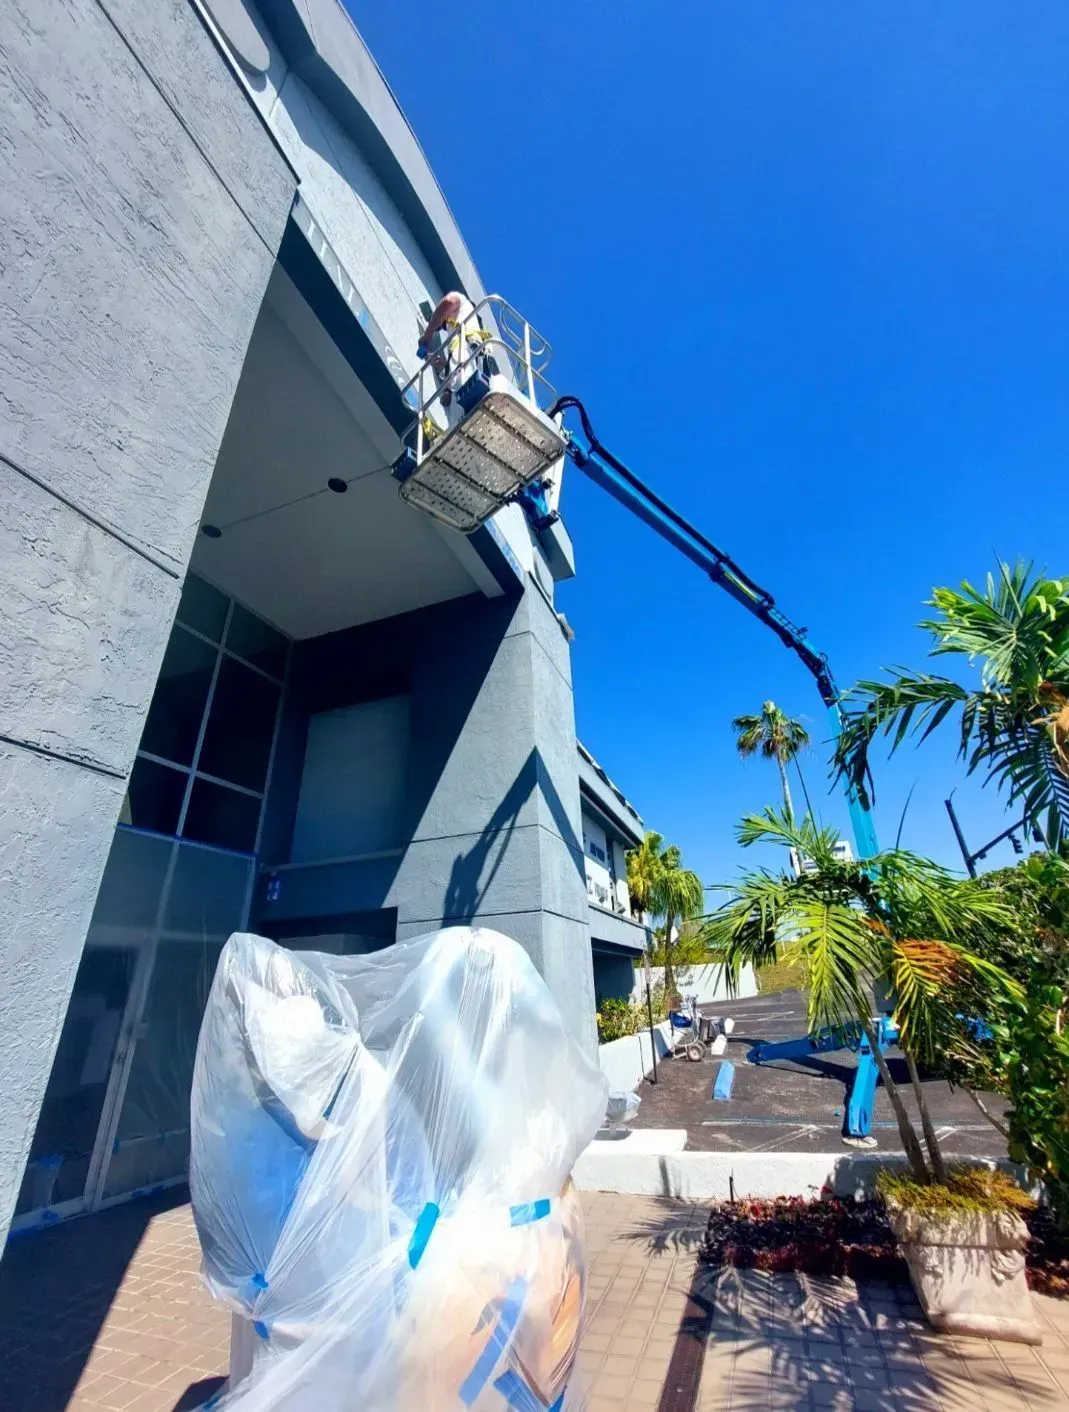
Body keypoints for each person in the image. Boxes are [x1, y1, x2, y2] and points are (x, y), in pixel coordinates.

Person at [417, 291, 490, 428]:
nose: (443, 327)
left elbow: (448, 302)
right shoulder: (463, 333)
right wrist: (445, 365)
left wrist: (428, 334)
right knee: (462, 421)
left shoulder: (462, 302)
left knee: (464, 417)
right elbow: (460, 363)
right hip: (467, 373)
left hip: (466, 375)